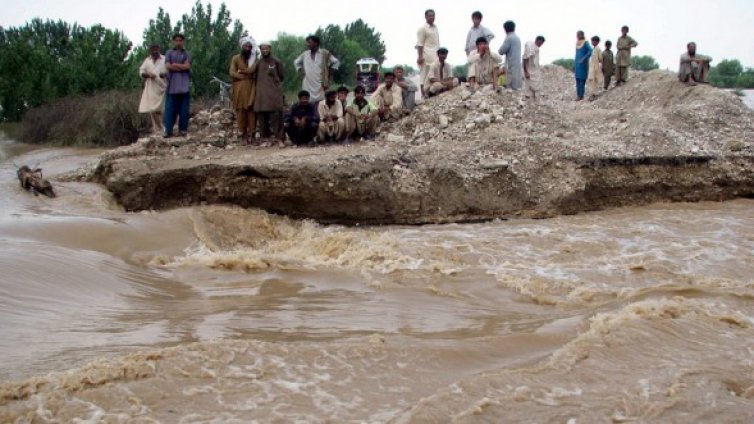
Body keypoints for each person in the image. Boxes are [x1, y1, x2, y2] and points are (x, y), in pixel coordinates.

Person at [294, 35, 340, 103]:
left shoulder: (324, 53)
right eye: (308, 42)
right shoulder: (305, 54)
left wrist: (330, 72)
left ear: (316, 43)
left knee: (322, 102)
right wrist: (301, 71)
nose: (308, 44)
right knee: (308, 101)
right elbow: (296, 62)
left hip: (321, 83)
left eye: (310, 42)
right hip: (308, 83)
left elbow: (336, 62)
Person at [254, 41, 285, 143]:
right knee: (262, 116)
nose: (265, 51)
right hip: (261, 94)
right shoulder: (258, 62)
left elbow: (282, 77)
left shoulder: (277, 61)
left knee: (275, 115)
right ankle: (264, 137)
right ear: (260, 50)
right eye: (263, 49)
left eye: (266, 48)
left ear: (270, 49)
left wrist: (274, 75)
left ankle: (277, 136)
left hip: (273, 93)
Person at [229, 35, 258, 143]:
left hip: (251, 88)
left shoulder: (254, 59)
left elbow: (252, 70)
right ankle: (243, 134)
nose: (248, 48)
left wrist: (243, 72)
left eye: (249, 46)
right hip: (239, 89)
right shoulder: (235, 58)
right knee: (241, 110)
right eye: (246, 46)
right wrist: (242, 75)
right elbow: (232, 72)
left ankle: (253, 134)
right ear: (242, 47)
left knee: (251, 111)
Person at [164, 33, 192, 137]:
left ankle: (183, 130)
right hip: (172, 86)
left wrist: (174, 65)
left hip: (184, 86)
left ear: (183, 41)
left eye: (180, 40)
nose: (178, 42)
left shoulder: (186, 54)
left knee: (184, 110)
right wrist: (180, 66)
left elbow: (187, 66)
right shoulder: (169, 53)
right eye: (176, 40)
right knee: (170, 110)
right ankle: (168, 131)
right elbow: (168, 66)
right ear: (173, 41)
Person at [138, 43, 167, 134]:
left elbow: (170, 71)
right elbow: (141, 71)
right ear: (150, 51)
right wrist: (148, 75)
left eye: (156, 49)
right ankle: (157, 129)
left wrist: (164, 75)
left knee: (163, 109)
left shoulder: (165, 59)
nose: (154, 51)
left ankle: (166, 128)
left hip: (163, 87)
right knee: (152, 110)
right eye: (152, 50)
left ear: (159, 49)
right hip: (151, 88)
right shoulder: (147, 60)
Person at [416, 9, 440, 97]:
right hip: (426, 56)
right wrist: (420, 56)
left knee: (432, 76)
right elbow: (420, 44)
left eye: (433, 15)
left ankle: (431, 93)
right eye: (430, 15)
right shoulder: (422, 29)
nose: (432, 17)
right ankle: (423, 94)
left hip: (435, 56)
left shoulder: (435, 28)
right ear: (425, 17)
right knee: (424, 76)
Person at [498, 20, 522, 90]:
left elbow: (501, 51)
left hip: (510, 66)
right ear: (514, 28)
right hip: (517, 65)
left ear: (505, 29)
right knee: (517, 87)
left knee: (510, 88)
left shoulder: (509, 38)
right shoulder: (517, 38)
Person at [574, 31, 592, 101]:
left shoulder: (585, 42)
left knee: (582, 79)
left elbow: (590, 51)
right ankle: (578, 95)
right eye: (577, 34)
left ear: (582, 35)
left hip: (583, 64)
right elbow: (576, 54)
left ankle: (581, 96)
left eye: (579, 34)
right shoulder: (577, 43)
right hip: (577, 64)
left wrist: (584, 58)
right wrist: (574, 64)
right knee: (577, 79)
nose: (578, 36)